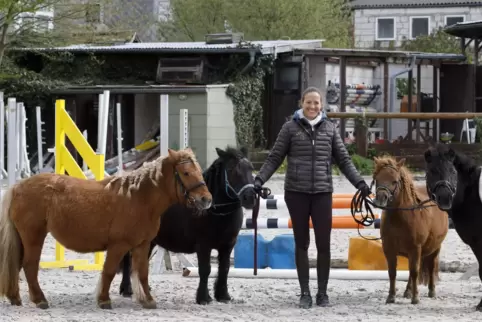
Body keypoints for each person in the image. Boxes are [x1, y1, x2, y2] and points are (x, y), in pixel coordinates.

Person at [254, 86, 371, 309]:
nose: (312, 106)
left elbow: (344, 160)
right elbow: (275, 157)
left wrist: (360, 183)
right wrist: (259, 180)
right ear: (302, 103)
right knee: (302, 243)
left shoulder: (330, 128)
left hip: (322, 193)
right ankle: (305, 292)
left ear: (322, 105)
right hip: (296, 193)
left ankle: (323, 293)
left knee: (323, 244)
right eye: (309, 102)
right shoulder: (289, 128)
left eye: (316, 103)